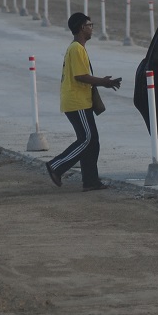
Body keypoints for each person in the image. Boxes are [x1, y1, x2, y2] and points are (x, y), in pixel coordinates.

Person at [46, 12, 121, 191]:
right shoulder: (77, 49)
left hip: (80, 101)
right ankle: (56, 166)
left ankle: (90, 181)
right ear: (82, 28)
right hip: (76, 102)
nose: (91, 28)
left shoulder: (77, 48)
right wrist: (104, 82)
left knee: (92, 141)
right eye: (89, 25)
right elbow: (80, 76)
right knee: (87, 139)